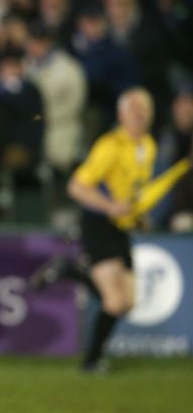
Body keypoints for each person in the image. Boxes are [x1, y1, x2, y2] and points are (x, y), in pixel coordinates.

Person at [35, 87, 157, 372]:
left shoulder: (149, 146)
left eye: (144, 109)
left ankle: (72, 271)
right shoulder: (110, 145)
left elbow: (134, 191)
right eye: (134, 109)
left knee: (126, 301)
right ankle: (91, 362)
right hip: (98, 223)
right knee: (115, 300)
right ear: (121, 114)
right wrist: (110, 206)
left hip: (121, 226)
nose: (140, 115)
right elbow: (77, 186)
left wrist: (139, 215)